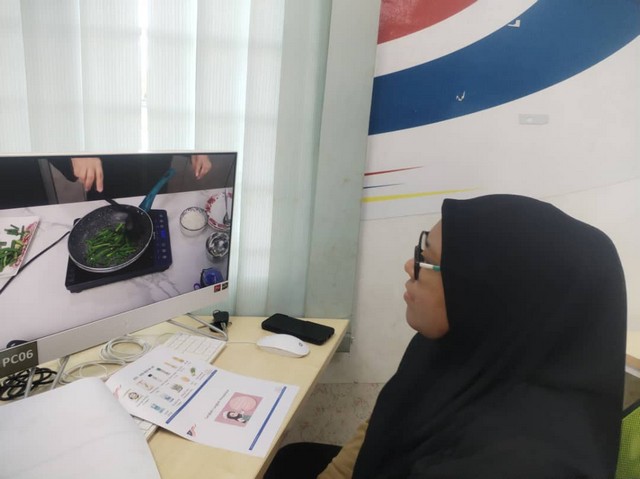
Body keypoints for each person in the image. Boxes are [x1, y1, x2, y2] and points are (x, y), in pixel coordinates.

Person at [265, 194, 627, 479]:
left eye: (427, 259)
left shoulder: (518, 465)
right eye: (421, 250)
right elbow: (383, 422)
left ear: (489, 294)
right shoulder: (458, 347)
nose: (410, 266)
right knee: (291, 459)